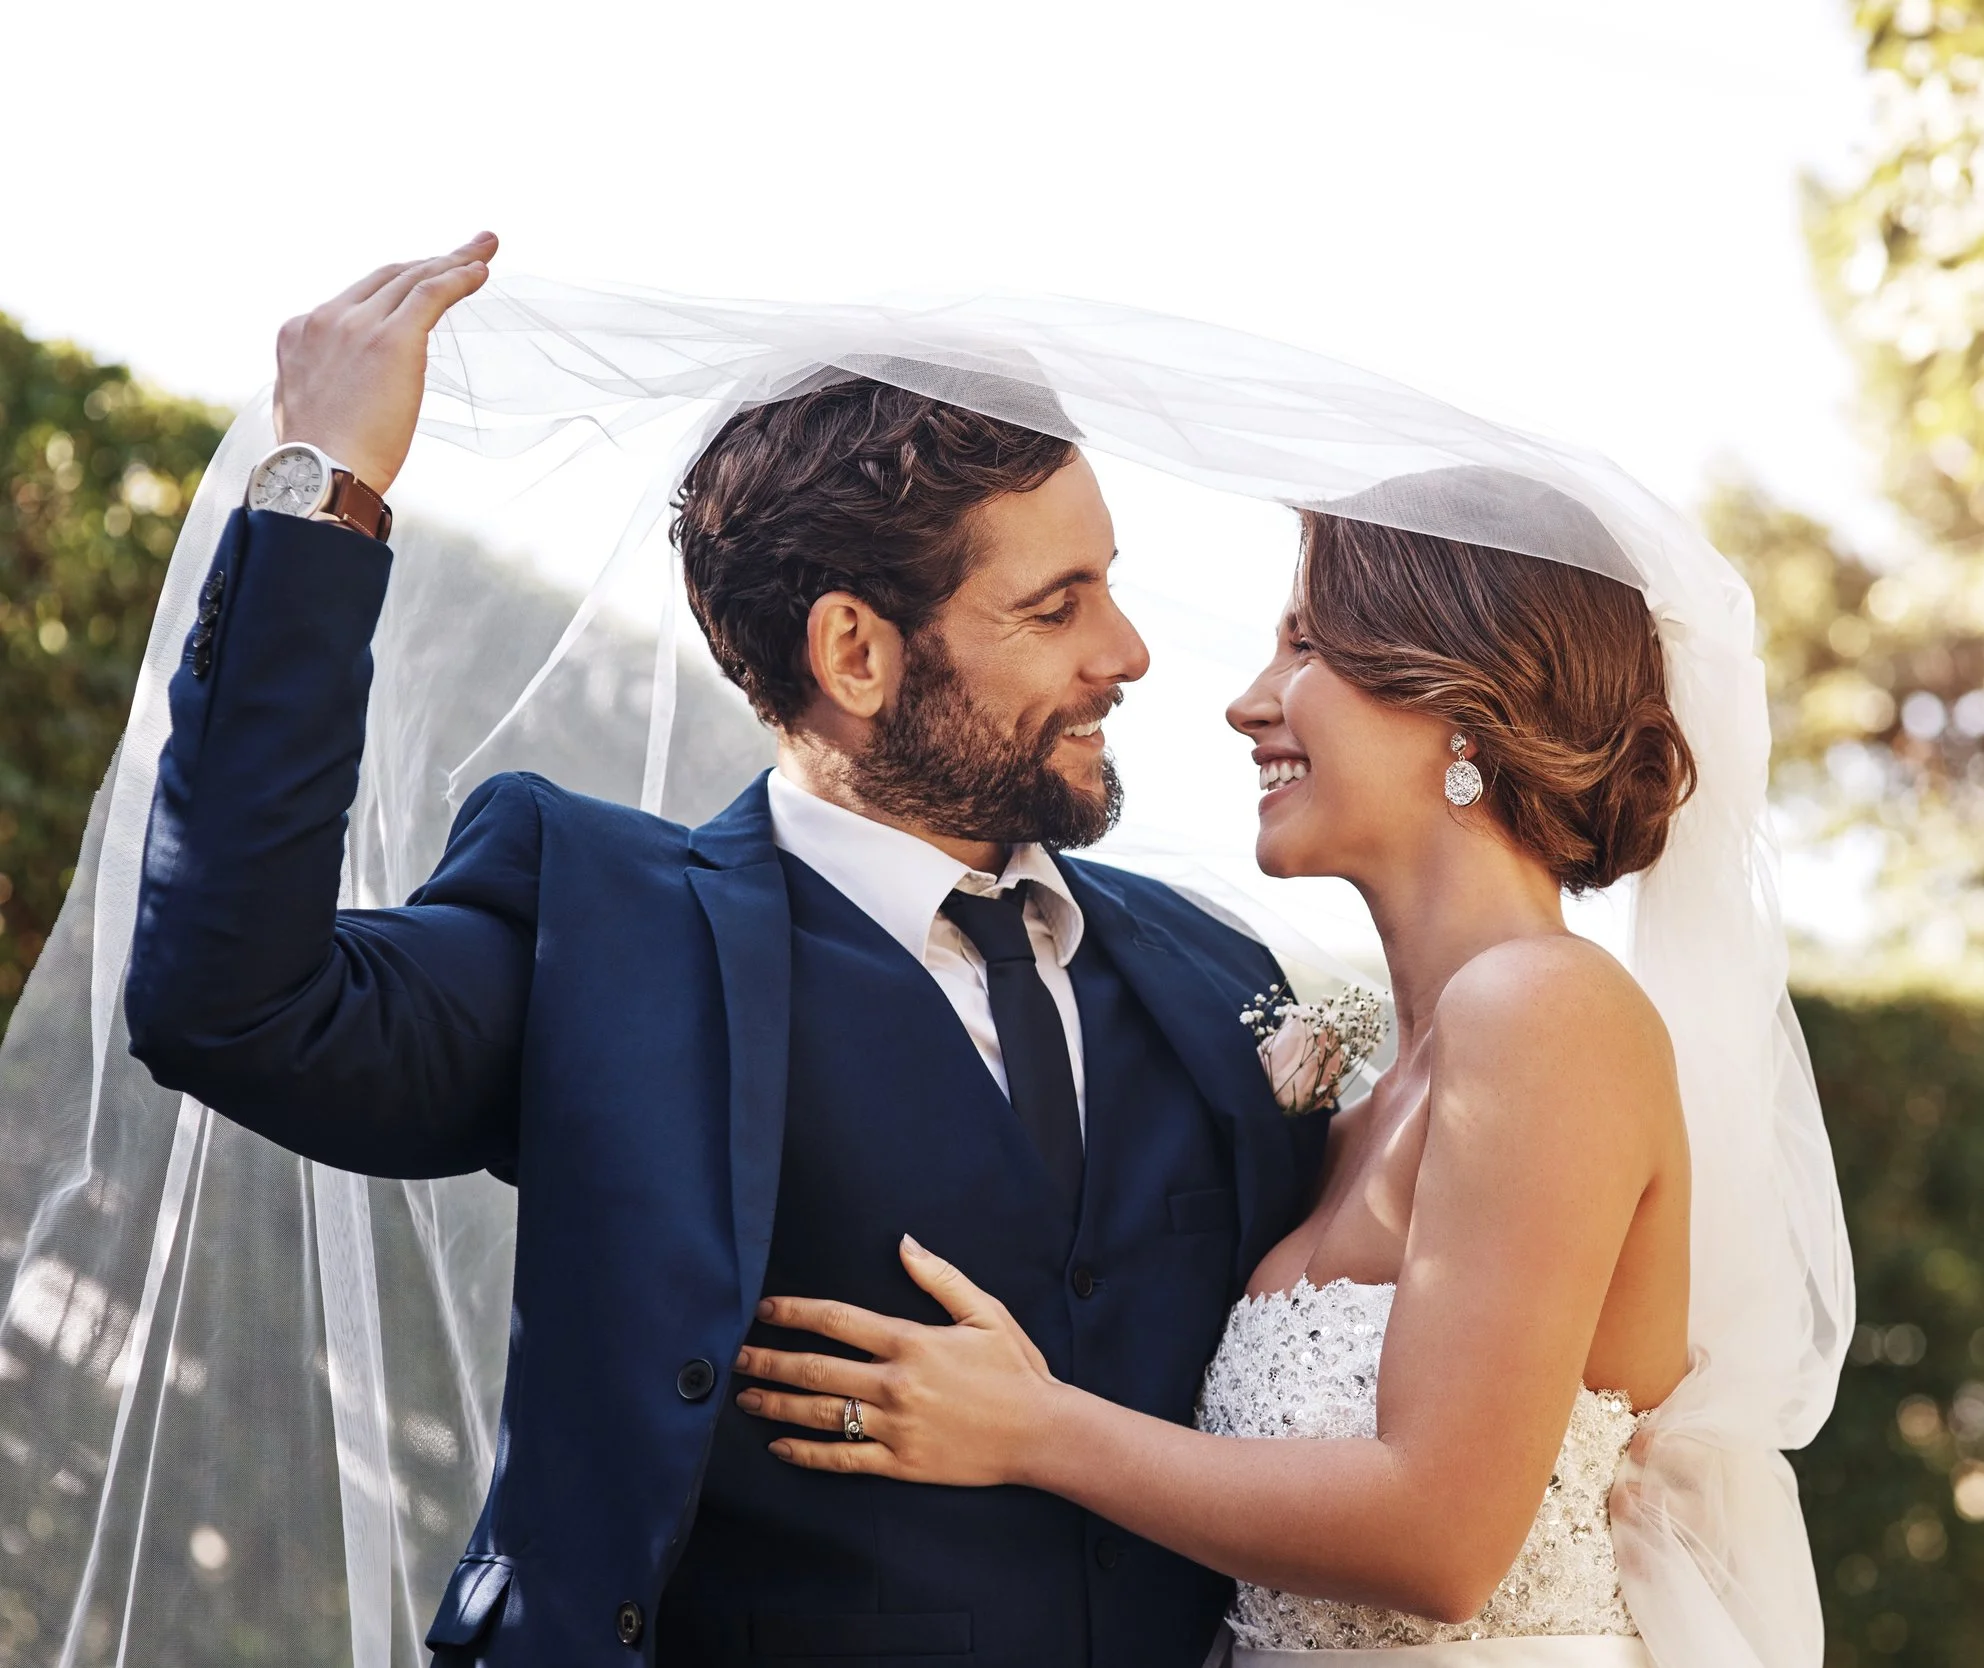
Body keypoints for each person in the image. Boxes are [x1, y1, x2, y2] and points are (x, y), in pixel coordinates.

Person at [119, 237, 1328, 1667]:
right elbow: (228, 1005)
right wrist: (324, 496)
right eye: (1056, 606)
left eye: (1109, 587)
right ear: (856, 653)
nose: (1126, 653)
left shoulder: (1217, 973)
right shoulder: (606, 931)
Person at [727, 507, 1720, 1663]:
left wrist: (1034, 1428)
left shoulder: (1544, 1010)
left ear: (1459, 702)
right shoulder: (1355, 1110)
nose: (1249, 702)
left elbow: (1442, 1543)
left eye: (1305, 649)